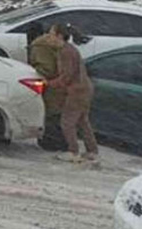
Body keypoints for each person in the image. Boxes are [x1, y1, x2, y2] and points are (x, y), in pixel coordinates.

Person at [50, 23, 98, 163]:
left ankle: (73, 151)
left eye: (51, 34)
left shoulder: (66, 52)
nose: (49, 37)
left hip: (77, 90)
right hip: (85, 88)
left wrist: (50, 84)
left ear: (59, 36)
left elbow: (67, 76)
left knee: (67, 122)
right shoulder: (69, 49)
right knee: (82, 121)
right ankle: (92, 151)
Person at [25, 22, 65, 150]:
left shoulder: (39, 46)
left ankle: (52, 142)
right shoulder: (49, 44)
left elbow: (46, 68)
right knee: (55, 114)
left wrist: (33, 72)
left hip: (50, 84)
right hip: (60, 84)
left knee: (49, 112)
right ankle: (58, 141)